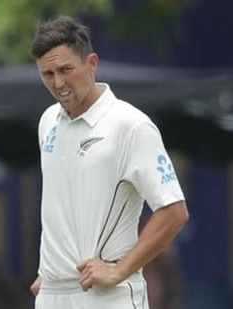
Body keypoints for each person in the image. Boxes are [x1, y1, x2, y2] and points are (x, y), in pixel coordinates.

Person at [28, 16, 189, 308]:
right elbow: (61, 204)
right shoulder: (48, 121)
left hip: (108, 298)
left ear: (91, 63)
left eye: (66, 70)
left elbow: (174, 212)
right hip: (52, 295)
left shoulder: (130, 125)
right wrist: (51, 274)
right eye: (47, 74)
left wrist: (119, 270)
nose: (58, 83)